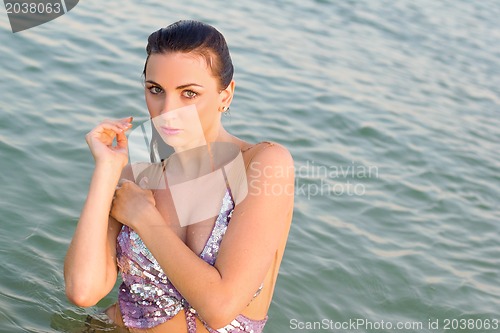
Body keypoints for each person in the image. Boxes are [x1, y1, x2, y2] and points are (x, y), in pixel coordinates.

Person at [64, 20, 294, 333]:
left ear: (225, 95)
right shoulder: (136, 179)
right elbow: (83, 290)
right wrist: (106, 171)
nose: (168, 109)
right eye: (155, 90)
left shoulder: (263, 164)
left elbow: (219, 307)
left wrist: (145, 219)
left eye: (189, 93)